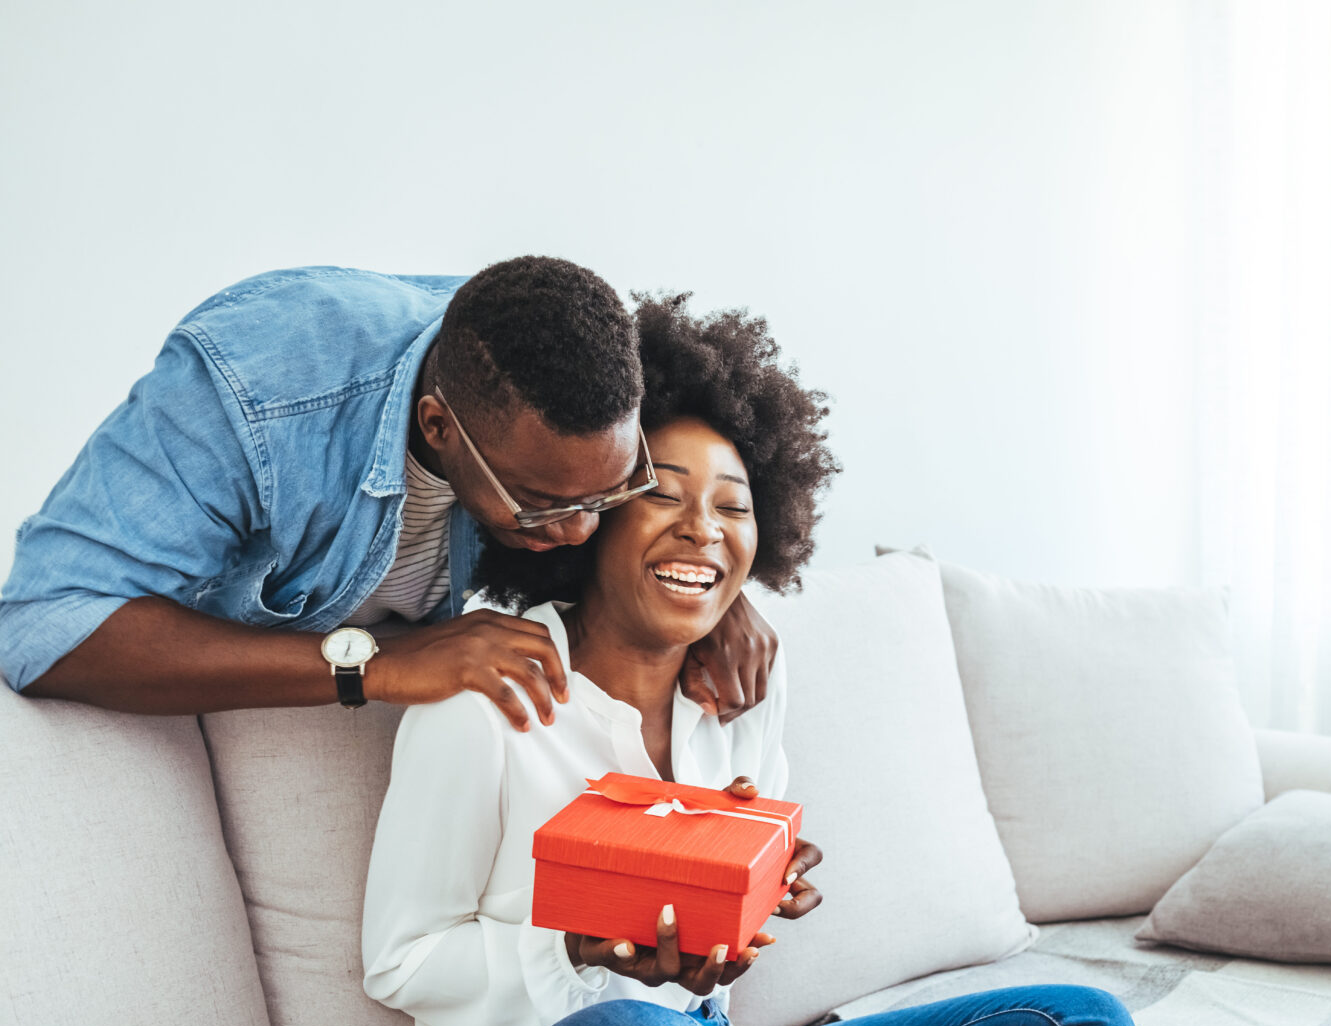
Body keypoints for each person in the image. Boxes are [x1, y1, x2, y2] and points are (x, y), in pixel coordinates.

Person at [362, 293, 1143, 1026]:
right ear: (590, 516)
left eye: (733, 508)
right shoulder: (488, 696)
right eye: (664, 496)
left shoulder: (741, 692)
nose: (703, 531)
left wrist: (757, 887)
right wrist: (576, 950)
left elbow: (705, 976)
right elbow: (401, 960)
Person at [0, 258, 776, 727]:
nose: (578, 535)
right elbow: (43, 623)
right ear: (438, 427)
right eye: (539, 505)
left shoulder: (581, 367)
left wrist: (708, 593)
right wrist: (366, 667)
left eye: (607, 498)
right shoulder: (259, 387)